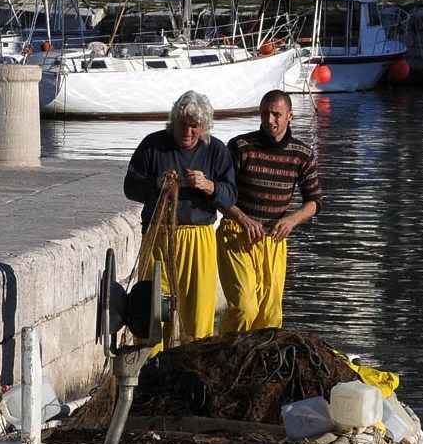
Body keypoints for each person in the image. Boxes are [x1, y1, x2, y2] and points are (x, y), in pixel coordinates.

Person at [123, 90, 236, 344]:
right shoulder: (153, 145)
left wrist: (209, 186)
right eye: (183, 124)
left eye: (195, 126)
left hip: (199, 238)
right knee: (151, 310)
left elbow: (230, 196)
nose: (188, 131)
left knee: (198, 313)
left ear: (204, 126)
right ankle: (150, 368)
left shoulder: (215, 150)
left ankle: (193, 369)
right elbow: (130, 186)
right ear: (173, 121)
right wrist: (156, 183)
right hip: (158, 235)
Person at [217, 90, 323, 333]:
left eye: (276, 114)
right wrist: (242, 218)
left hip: (274, 238)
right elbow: (219, 195)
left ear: (290, 116)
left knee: (271, 314)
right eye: (265, 114)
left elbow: (315, 201)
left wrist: (292, 220)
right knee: (245, 307)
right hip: (237, 233)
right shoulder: (241, 147)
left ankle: (257, 361)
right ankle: (226, 352)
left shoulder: (302, 154)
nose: (270, 120)